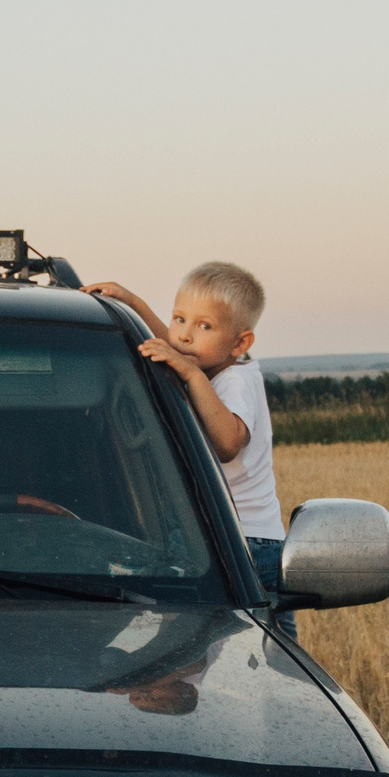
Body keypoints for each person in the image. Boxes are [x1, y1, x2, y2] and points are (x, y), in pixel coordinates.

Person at [83, 263, 292, 640]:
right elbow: (173, 347)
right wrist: (134, 305)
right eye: (179, 318)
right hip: (221, 537)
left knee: (263, 649)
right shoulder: (214, 365)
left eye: (204, 326)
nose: (184, 336)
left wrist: (192, 376)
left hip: (249, 545)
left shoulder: (236, 381)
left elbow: (228, 443)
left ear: (240, 344)